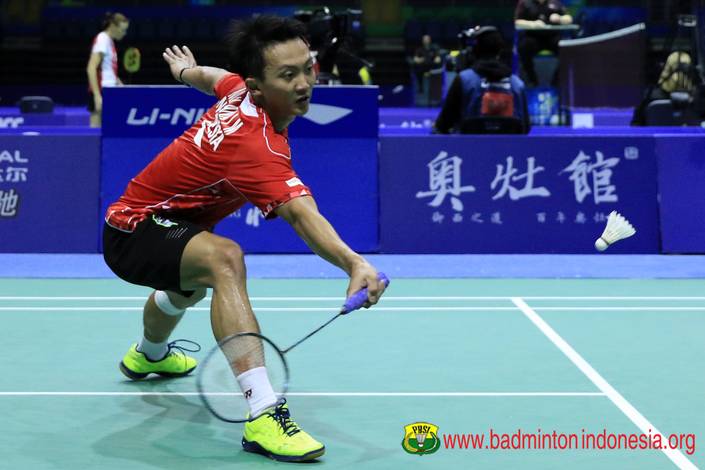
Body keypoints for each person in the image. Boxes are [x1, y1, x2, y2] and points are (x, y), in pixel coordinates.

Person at [102, 15, 386, 462]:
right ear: (258, 86)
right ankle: (264, 412)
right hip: (133, 229)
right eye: (287, 75)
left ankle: (149, 355)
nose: (304, 84)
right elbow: (302, 214)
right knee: (225, 259)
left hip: (165, 225)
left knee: (189, 289)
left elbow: (214, 77)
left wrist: (184, 72)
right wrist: (354, 262)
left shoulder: (240, 90)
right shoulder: (256, 146)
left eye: (307, 69)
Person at [434, 27, 530, 134]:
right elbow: (525, 128)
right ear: (500, 51)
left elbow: (443, 125)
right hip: (509, 145)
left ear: (474, 51)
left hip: (469, 144)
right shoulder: (517, 84)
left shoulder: (464, 80)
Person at [514, 0, 572, 86]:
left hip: (552, 37)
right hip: (533, 38)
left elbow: (569, 18)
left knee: (568, 51)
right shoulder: (525, 3)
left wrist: (560, 18)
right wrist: (533, 24)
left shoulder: (555, 2)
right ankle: (532, 81)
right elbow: (517, 22)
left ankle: (556, 82)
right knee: (523, 48)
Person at [86, 12, 129, 127]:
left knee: (108, 130)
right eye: (122, 30)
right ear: (113, 26)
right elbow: (91, 68)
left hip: (110, 91)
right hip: (101, 91)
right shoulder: (102, 39)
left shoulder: (109, 41)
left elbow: (107, 69)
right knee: (96, 129)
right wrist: (97, 95)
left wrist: (118, 82)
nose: (124, 33)